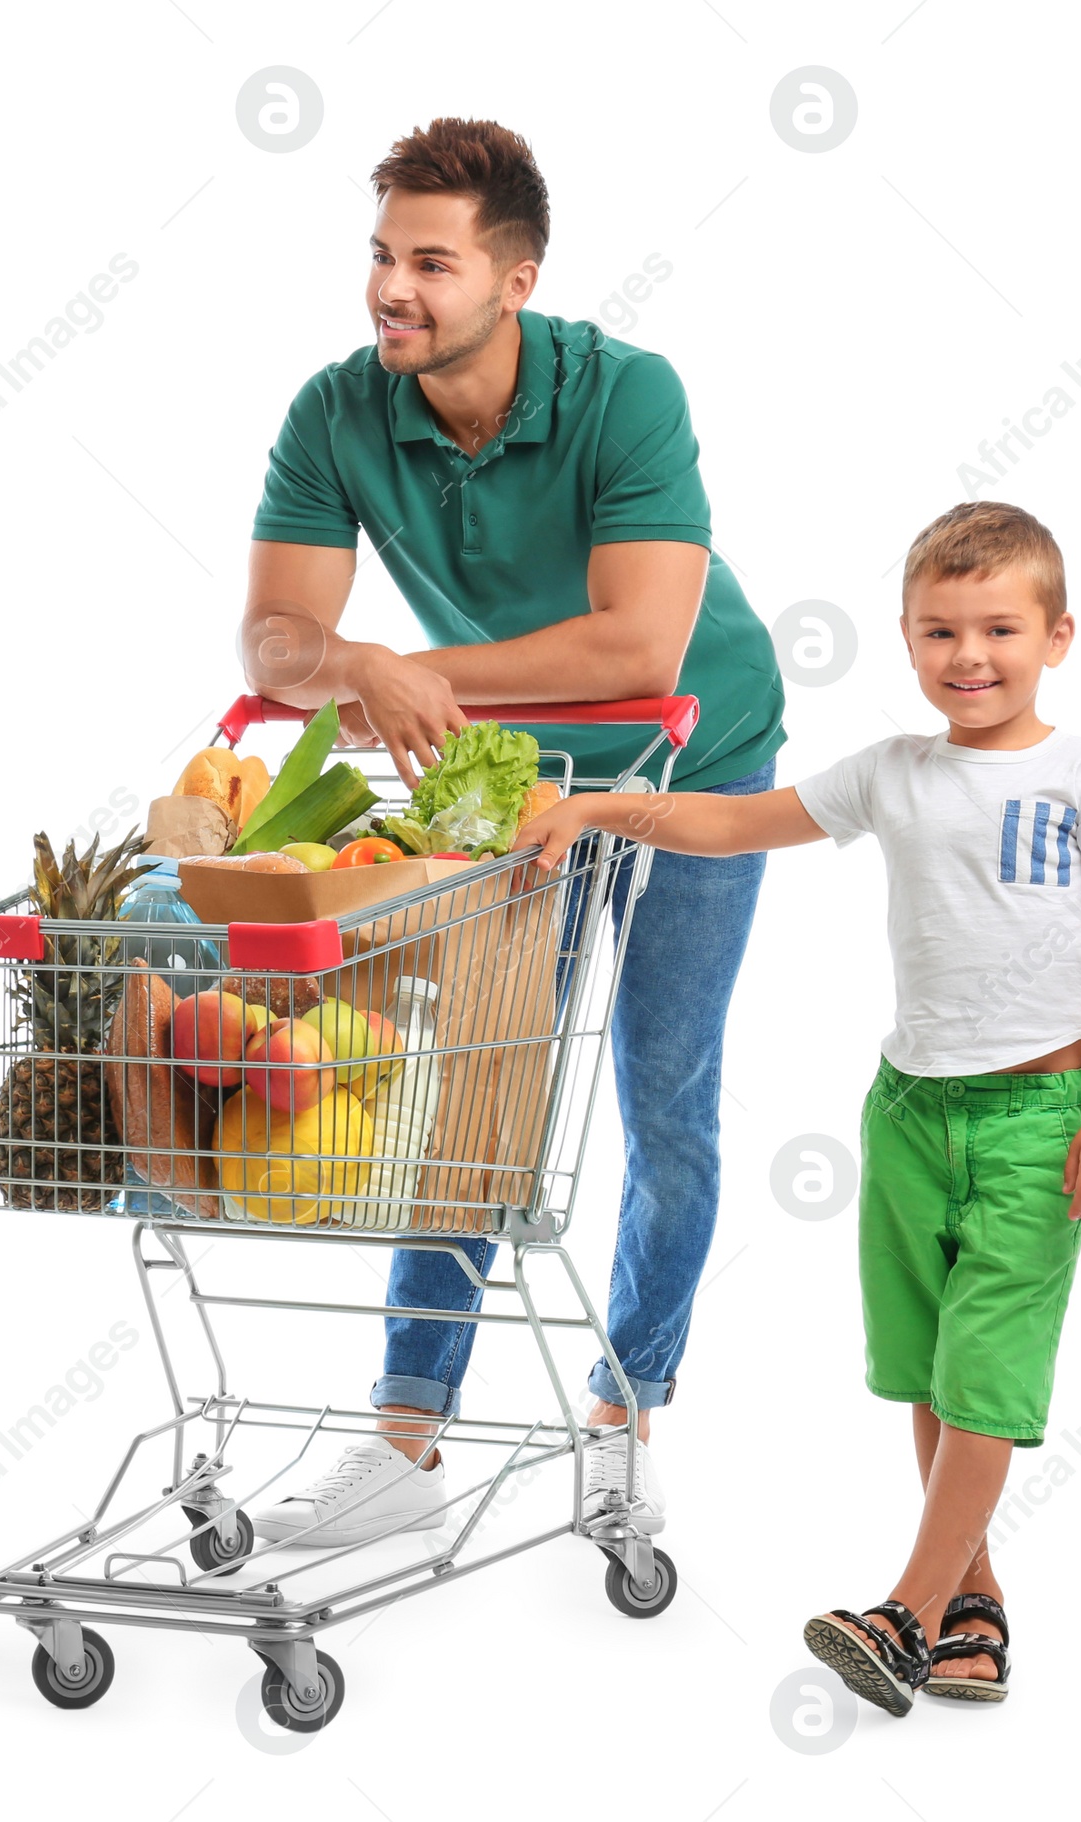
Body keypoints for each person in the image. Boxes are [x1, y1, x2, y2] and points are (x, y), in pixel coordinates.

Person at [237, 118, 786, 1545]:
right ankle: (404, 1440)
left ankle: (623, 1410)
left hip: (692, 763)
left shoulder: (627, 396)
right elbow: (274, 640)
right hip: (519, 787)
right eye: (379, 255)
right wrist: (355, 665)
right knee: (478, 1091)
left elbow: (637, 636)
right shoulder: (338, 411)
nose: (390, 290)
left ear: (516, 279)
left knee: (664, 1098)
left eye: (431, 261)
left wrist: (408, 671)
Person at [516, 501, 1081, 1712]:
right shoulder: (892, 774)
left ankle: (903, 1613)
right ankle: (973, 1607)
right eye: (938, 631)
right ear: (908, 640)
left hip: (1036, 1115)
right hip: (909, 1111)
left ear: (1057, 636)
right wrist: (601, 807)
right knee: (923, 1370)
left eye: (999, 630)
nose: (969, 657)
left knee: (986, 1378)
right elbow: (731, 820)